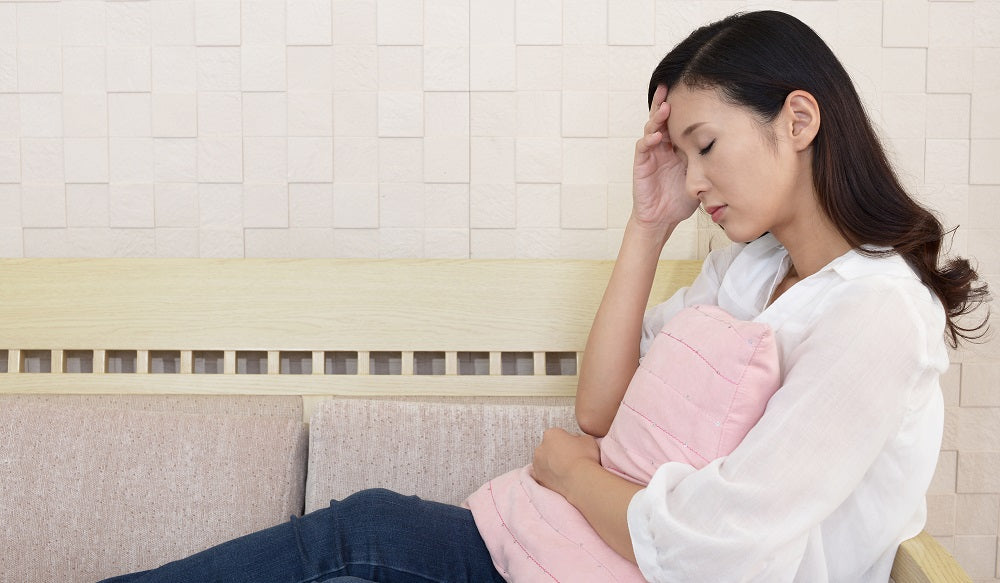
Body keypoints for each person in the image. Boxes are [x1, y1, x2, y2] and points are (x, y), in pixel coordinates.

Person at [100, 10, 989, 583]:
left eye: (706, 145)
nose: (694, 180)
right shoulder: (753, 269)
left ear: (798, 119)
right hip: (567, 553)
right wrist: (648, 225)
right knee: (362, 527)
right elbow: (601, 409)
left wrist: (568, 472)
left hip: (614, 561)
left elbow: (721, 546)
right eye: (682, 154)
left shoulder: (877, 313)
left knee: (358, 549)